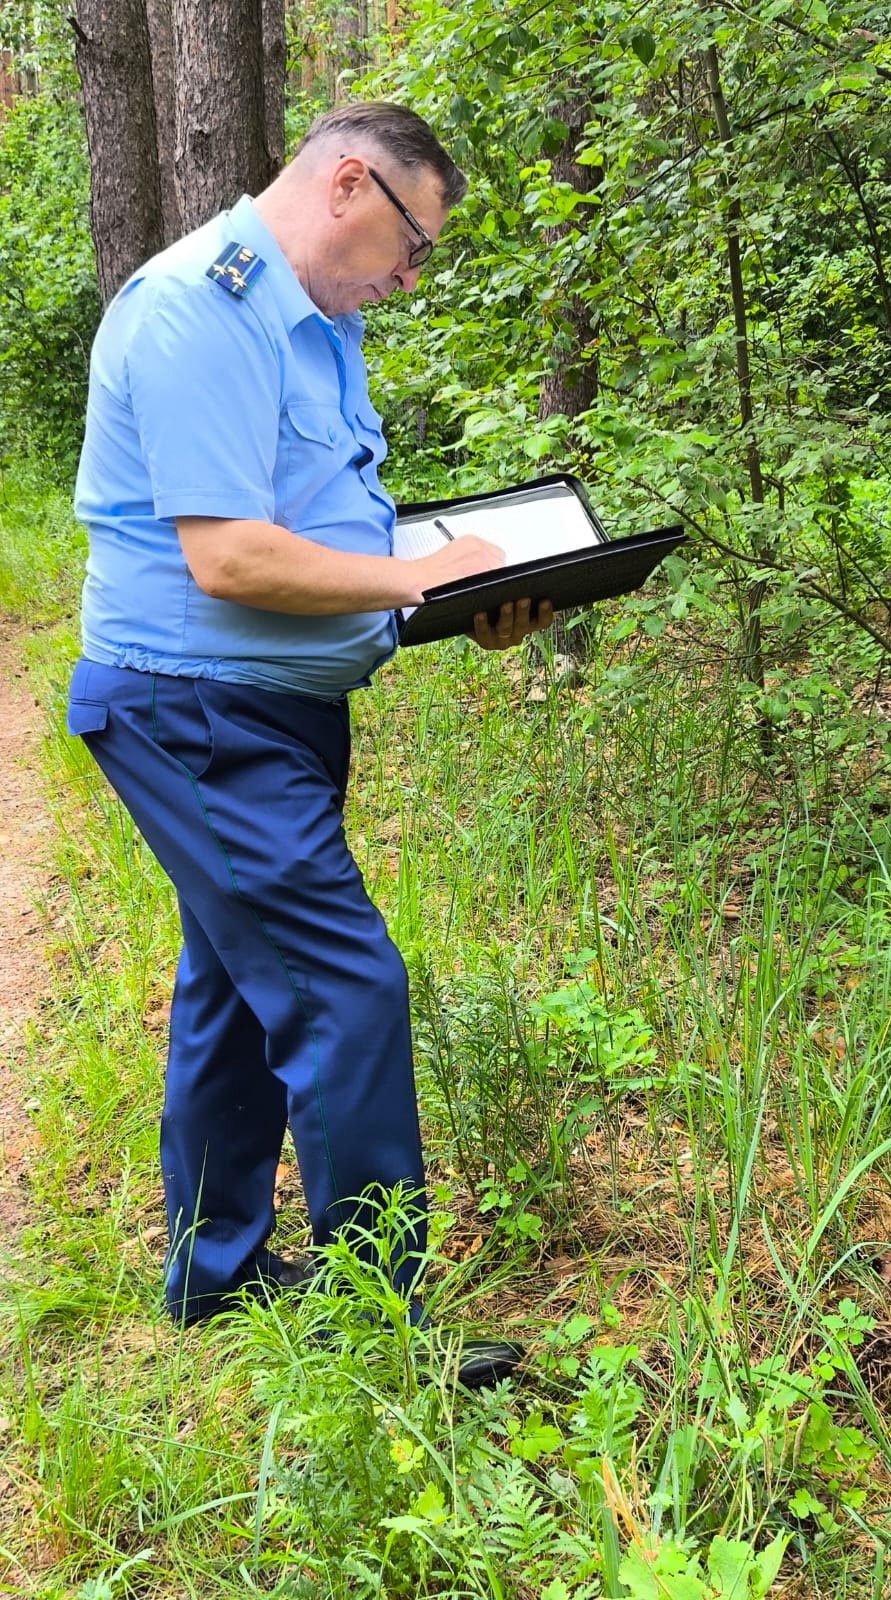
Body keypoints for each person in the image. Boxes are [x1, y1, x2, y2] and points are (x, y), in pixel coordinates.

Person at [67, 102, 550, 1384]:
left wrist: (452, 598)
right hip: (192, 710)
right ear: (347, 184)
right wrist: (412, 580)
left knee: (237, 985)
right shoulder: (196, 311)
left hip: (265, 712)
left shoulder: (321, 327)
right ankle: (381, 1335)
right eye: (410, 245)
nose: (405, 278)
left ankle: (212, 1275)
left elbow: (323, 534)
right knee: (346, 986)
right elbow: (227, 555)